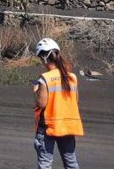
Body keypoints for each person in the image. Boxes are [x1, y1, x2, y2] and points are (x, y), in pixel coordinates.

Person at [32, 38, 84, 169]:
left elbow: (41, 103)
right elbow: (74, 101)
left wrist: (35, 91)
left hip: (48, 126)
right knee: (71, 163)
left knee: (45, 164)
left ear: (44, 57)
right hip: (67, 125)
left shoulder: (45, 78)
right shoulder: (72, 77)